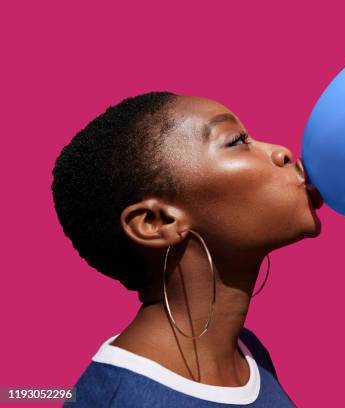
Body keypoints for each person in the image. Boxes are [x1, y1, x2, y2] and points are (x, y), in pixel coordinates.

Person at [52, 92, 323, 407]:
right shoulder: (119, 400)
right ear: (158, 221)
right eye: (236, 141)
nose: (281, 152)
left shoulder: (248, 355)